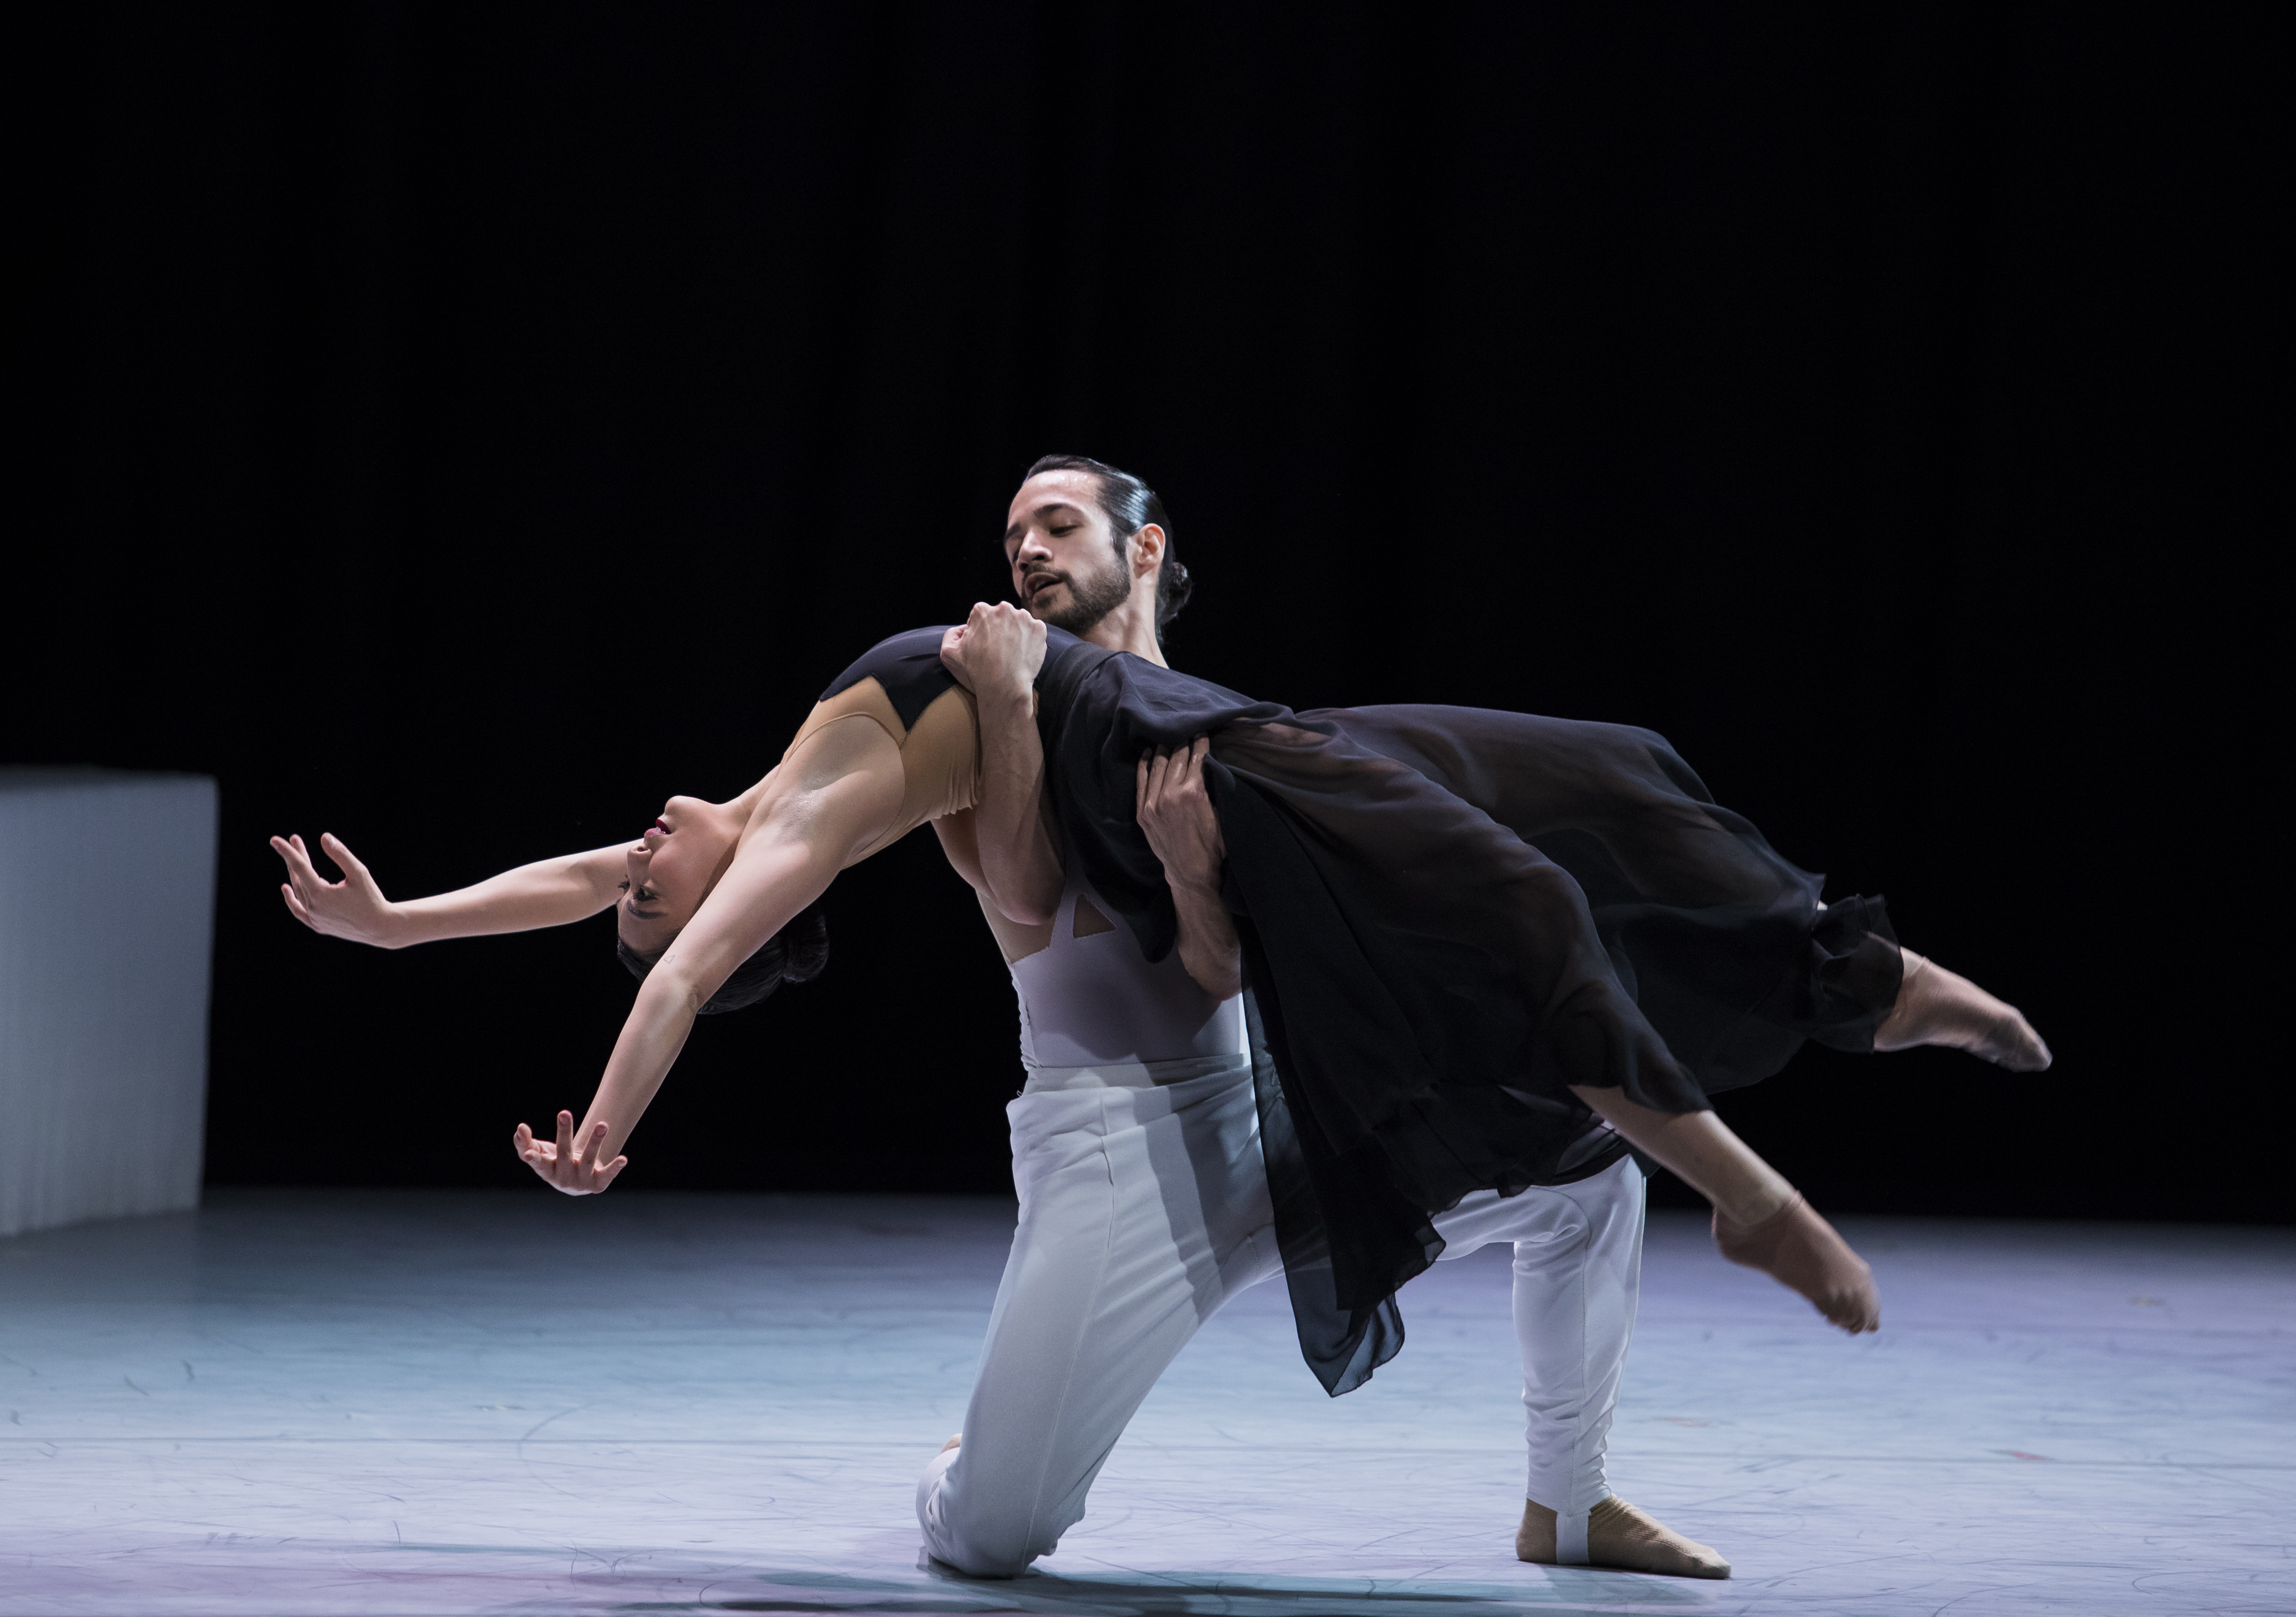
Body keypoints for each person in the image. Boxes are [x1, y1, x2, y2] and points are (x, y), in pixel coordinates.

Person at [269, 454, 2045, 1578]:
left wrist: (401, 925)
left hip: (1253, 1095)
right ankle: (971, 1459)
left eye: (1053, 523)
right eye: (1016, 529)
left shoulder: (869, 764)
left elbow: (601, 877)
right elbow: (689, 951)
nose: (639, 850)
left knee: (1584, 934)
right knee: (995, 1539)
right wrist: (603, 1128)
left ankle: (1576, 1487)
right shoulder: (859, 797)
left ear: (1142, 547)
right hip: (1121, 1162)